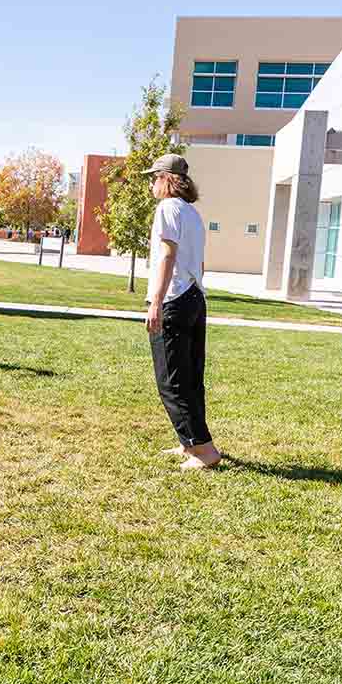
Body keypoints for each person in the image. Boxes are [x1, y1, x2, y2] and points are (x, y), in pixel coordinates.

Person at [143, 154, 220, 470]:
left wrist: (157, 302)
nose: (151, 183)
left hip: (174, 300)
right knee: (190, 377)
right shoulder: (192, 213)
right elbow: (198, 262)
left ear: (165, 179)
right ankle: (188, 444)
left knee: (171, 380)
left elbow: (167, 256)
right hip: (194, 299)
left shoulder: (167, 208)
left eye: (153, 177)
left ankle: (204, 451)